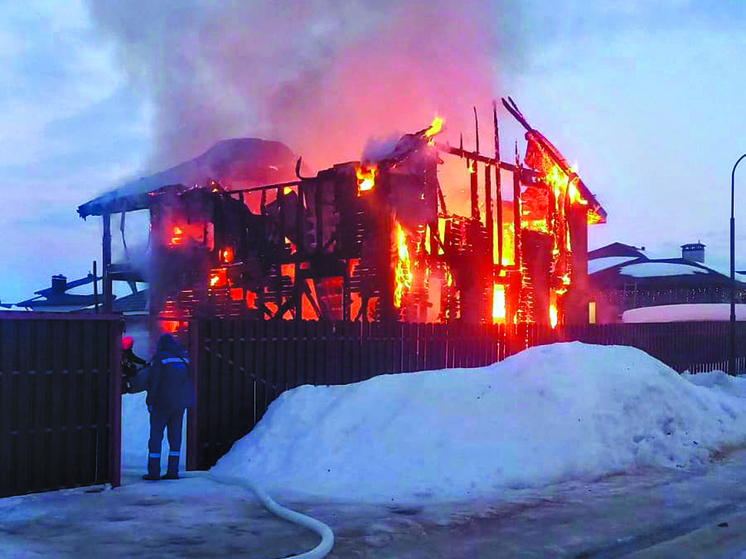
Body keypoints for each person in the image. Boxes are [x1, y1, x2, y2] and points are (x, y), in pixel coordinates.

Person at [143, 333, 194, 481]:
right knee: (175, 437)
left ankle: (154, 472)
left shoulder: (160, 359)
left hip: (162, 403)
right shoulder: (184, 359)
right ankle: (173, 471)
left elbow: (153, 382)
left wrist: (150, 401)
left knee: (156, 437)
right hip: (179, 404)